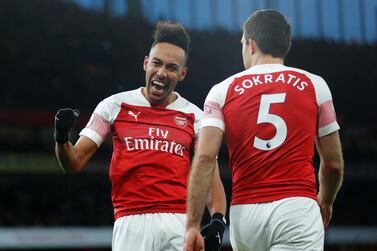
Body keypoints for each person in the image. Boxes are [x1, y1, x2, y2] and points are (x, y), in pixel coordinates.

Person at [54, 21, 226, 251]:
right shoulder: (113, 106)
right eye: (157, 63)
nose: (162, 73)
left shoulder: (196, 116)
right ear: (146, 63)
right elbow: (73, 163)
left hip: (178, 223)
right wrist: (61, 137)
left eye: (172, 68)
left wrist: (218, 219)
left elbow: (209, 175)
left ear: (182, 74)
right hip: (130, 224)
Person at [184, 9, 344, 251]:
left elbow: (205, 157)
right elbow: (333, 165)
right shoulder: (315, 85)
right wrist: (326, 200)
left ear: (251, 44)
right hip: (296, 210)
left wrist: (193, 225)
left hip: (245, 215)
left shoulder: (222, 91)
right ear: (286, 45)